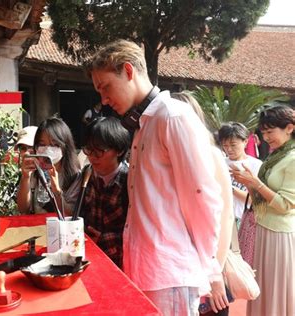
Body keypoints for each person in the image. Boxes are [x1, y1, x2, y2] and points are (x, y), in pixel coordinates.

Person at [87, 40, 223, 315]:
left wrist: (210, 267)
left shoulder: (172, 116)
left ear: (128, 71)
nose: (103, 99)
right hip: (146, 268)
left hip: (169, 271)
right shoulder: (143, 124)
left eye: (105, 87)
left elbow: (202, 196)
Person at [172, 91, 234, 316]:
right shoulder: (167, 159)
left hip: (207, 261)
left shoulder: (211, 154)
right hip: (179, 264)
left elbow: (225, 216)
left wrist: (214, 274)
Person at [231, 104, 294, 316]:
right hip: (264, 228)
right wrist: (247, 182)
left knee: (275, 290)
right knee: (263, 289)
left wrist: (255, 183)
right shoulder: (276, 156)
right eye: (263, 132)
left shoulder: (292, 158)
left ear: (289, 128)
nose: (266, 137)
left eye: (270, 131)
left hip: (279, 233)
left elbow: (285, 205)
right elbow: (261, 197)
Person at [80, 116, 130, 268]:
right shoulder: (88, 174)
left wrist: (101, 239)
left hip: (119, 265)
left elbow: (135, 233)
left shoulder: (129, 181)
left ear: (119, 150)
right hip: (89, 259)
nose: (92, 157)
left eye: (99, 150)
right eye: (89, 149)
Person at [16, 117, 81, 215]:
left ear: (65, 147)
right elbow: (23, 209)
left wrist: (56, 191)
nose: (48, 149)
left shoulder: (76, 177)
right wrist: (25, 177)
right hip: (36, 228)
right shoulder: (34, 171)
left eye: (54, 145)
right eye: (42, 144)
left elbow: (71, 214)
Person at [218, 122, 262, 223]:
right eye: (225, 145)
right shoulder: (219, 162)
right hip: (221, 216)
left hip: (243, 219)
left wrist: (230, 188)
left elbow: (256, 200)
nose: (229, 149)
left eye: (233, 145)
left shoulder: (256, 165)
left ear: (245, 141)